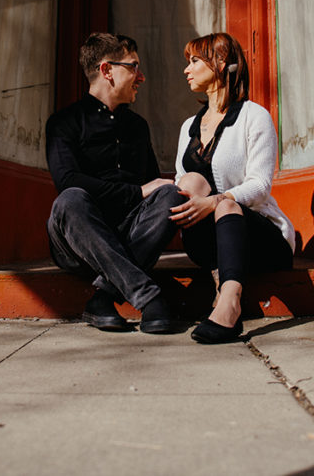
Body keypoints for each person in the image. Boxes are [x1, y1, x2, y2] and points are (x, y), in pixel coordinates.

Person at [46, 32, 182, 334]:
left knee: (171, 194)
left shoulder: (138, 126)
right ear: (107, 70)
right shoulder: (63, 122)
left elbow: (152, 192)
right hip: (77, 241)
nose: (141, 77)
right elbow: (66, 180)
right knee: (70, 199)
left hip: (129, 237)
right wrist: (137, 191)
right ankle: (148, 297)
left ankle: (102, 298)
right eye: (133, 67)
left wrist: (150, 191)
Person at [169, 32, 296, 344]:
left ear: (220, 62)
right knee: (188, 182)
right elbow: (179, 181)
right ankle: (218, 273)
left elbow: (261, 186)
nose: (187, 69)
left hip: (259, 237)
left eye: (194, 61)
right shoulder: (188, 127)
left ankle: (229, 304)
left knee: (226, 204)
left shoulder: (255, 116)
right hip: (205, 240)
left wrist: (215, 201)